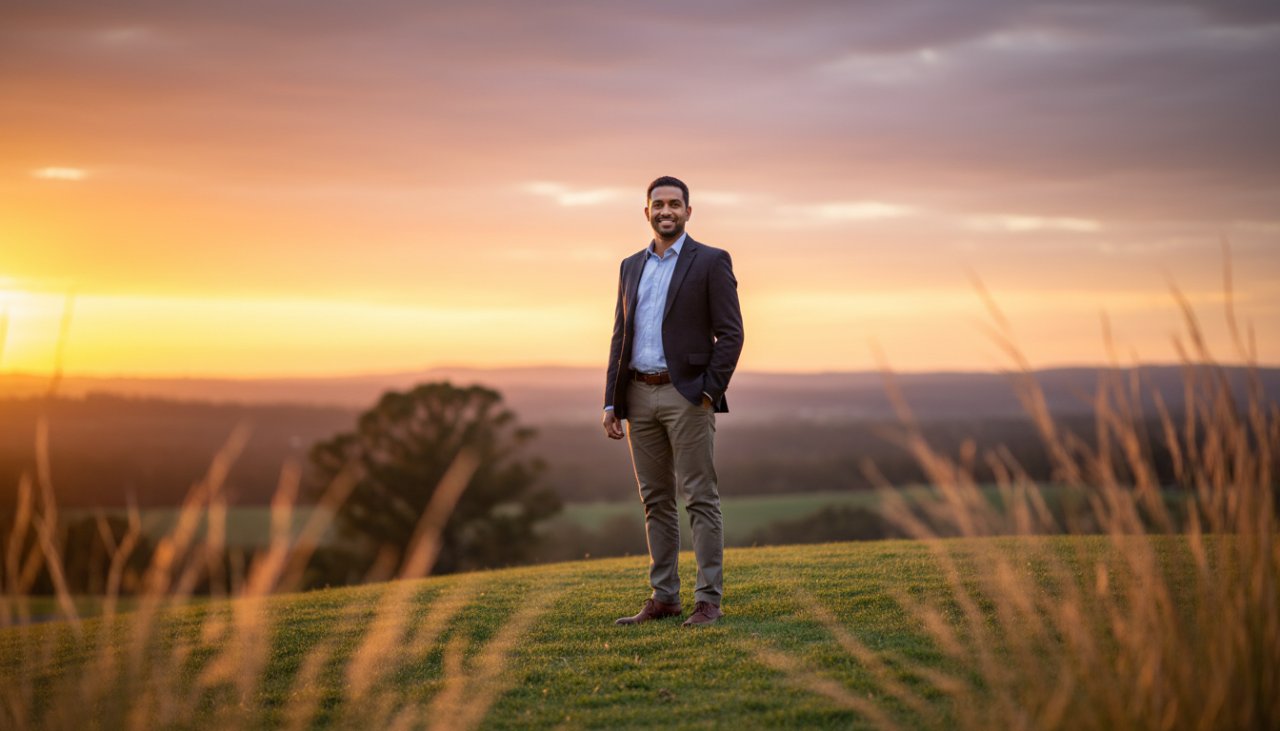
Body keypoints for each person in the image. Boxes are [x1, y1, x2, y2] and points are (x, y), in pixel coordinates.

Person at [602, 175, 744, 627]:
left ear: (688, 211)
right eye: (658, 204)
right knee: (655, 500)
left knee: (700, 497)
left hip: (688, 397)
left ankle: (708, 601)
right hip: (637, 395)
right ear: (646, 212)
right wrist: (612, 401)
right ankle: (664, 597)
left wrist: (708, 390)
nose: (666, 211)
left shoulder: (711, 261)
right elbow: (620, 335)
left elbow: (732, 333)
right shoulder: (629, 266)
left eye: (675, 204)